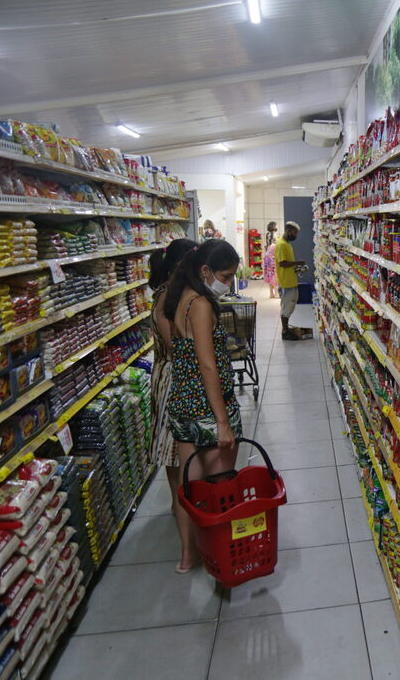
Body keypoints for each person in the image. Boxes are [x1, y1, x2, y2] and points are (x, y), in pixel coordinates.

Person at [161, 239, 243, 573]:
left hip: (182, 405)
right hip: (208, 408)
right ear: (205, 270)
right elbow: (207, 365)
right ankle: (223, 557)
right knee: (220, 487)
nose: (227, 283)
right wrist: (222, 421)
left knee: (188, 487)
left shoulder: (176, 299)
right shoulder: (201, 305)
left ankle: (188, 556)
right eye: (224, 276)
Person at [148, 238, 198, 566]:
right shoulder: (168, 296)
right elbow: (176, 346)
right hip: (174, 378)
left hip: (172, 374)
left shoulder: (172, 293)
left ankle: (178, 506)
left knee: (174, 454)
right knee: (177, 453)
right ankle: (187, 536)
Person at [275, 221, 310, 340]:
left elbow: (287, 263)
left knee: (290, 306)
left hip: (290, 280)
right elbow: (283, 263)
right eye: (295, 233)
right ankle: (285, 331)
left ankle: (286, 329)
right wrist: (298, 262)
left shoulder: (287, 244)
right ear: (288, 231)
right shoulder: (281, 244)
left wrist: (297, 268)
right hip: (286, 282)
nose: (296, 236)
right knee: (286, 307)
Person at [263, 222, 279, 299]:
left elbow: (266, 246)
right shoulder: (275, 234)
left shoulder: (267, 234)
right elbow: (276, 245)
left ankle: (271, 294)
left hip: (267, 257)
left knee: (269, 275)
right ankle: (276, 293)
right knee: (274, 275)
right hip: (273, 257)